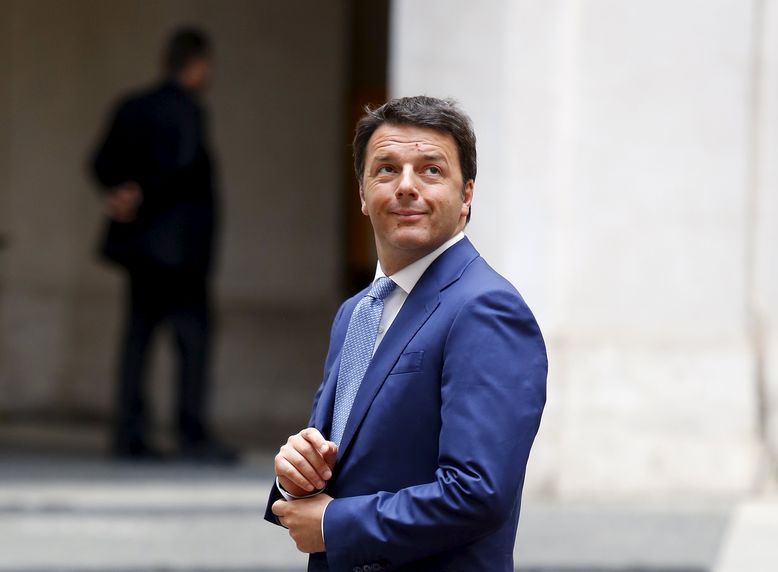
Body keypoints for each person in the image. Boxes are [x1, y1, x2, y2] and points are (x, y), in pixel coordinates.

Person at [263, 96, 547, 571]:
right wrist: (297, 476)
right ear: (361, 193)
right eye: (387, 169)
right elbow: (343, 459)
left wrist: (336, 525)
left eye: (431, 170)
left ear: (467, 194)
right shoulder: (357, 311)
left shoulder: (486, 309)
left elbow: (478, 492)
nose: (407, 187)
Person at [90, 28, 235, 463]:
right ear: (197, 65)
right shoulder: (186, 110)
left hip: (141, 250)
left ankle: (128, 433)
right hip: (182, 253)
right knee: (192, 341)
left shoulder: (132, 106)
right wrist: (143, 193)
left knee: (138, 337)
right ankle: (191, 433)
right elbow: (181, 168)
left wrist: (122, 190)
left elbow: (99, 162)